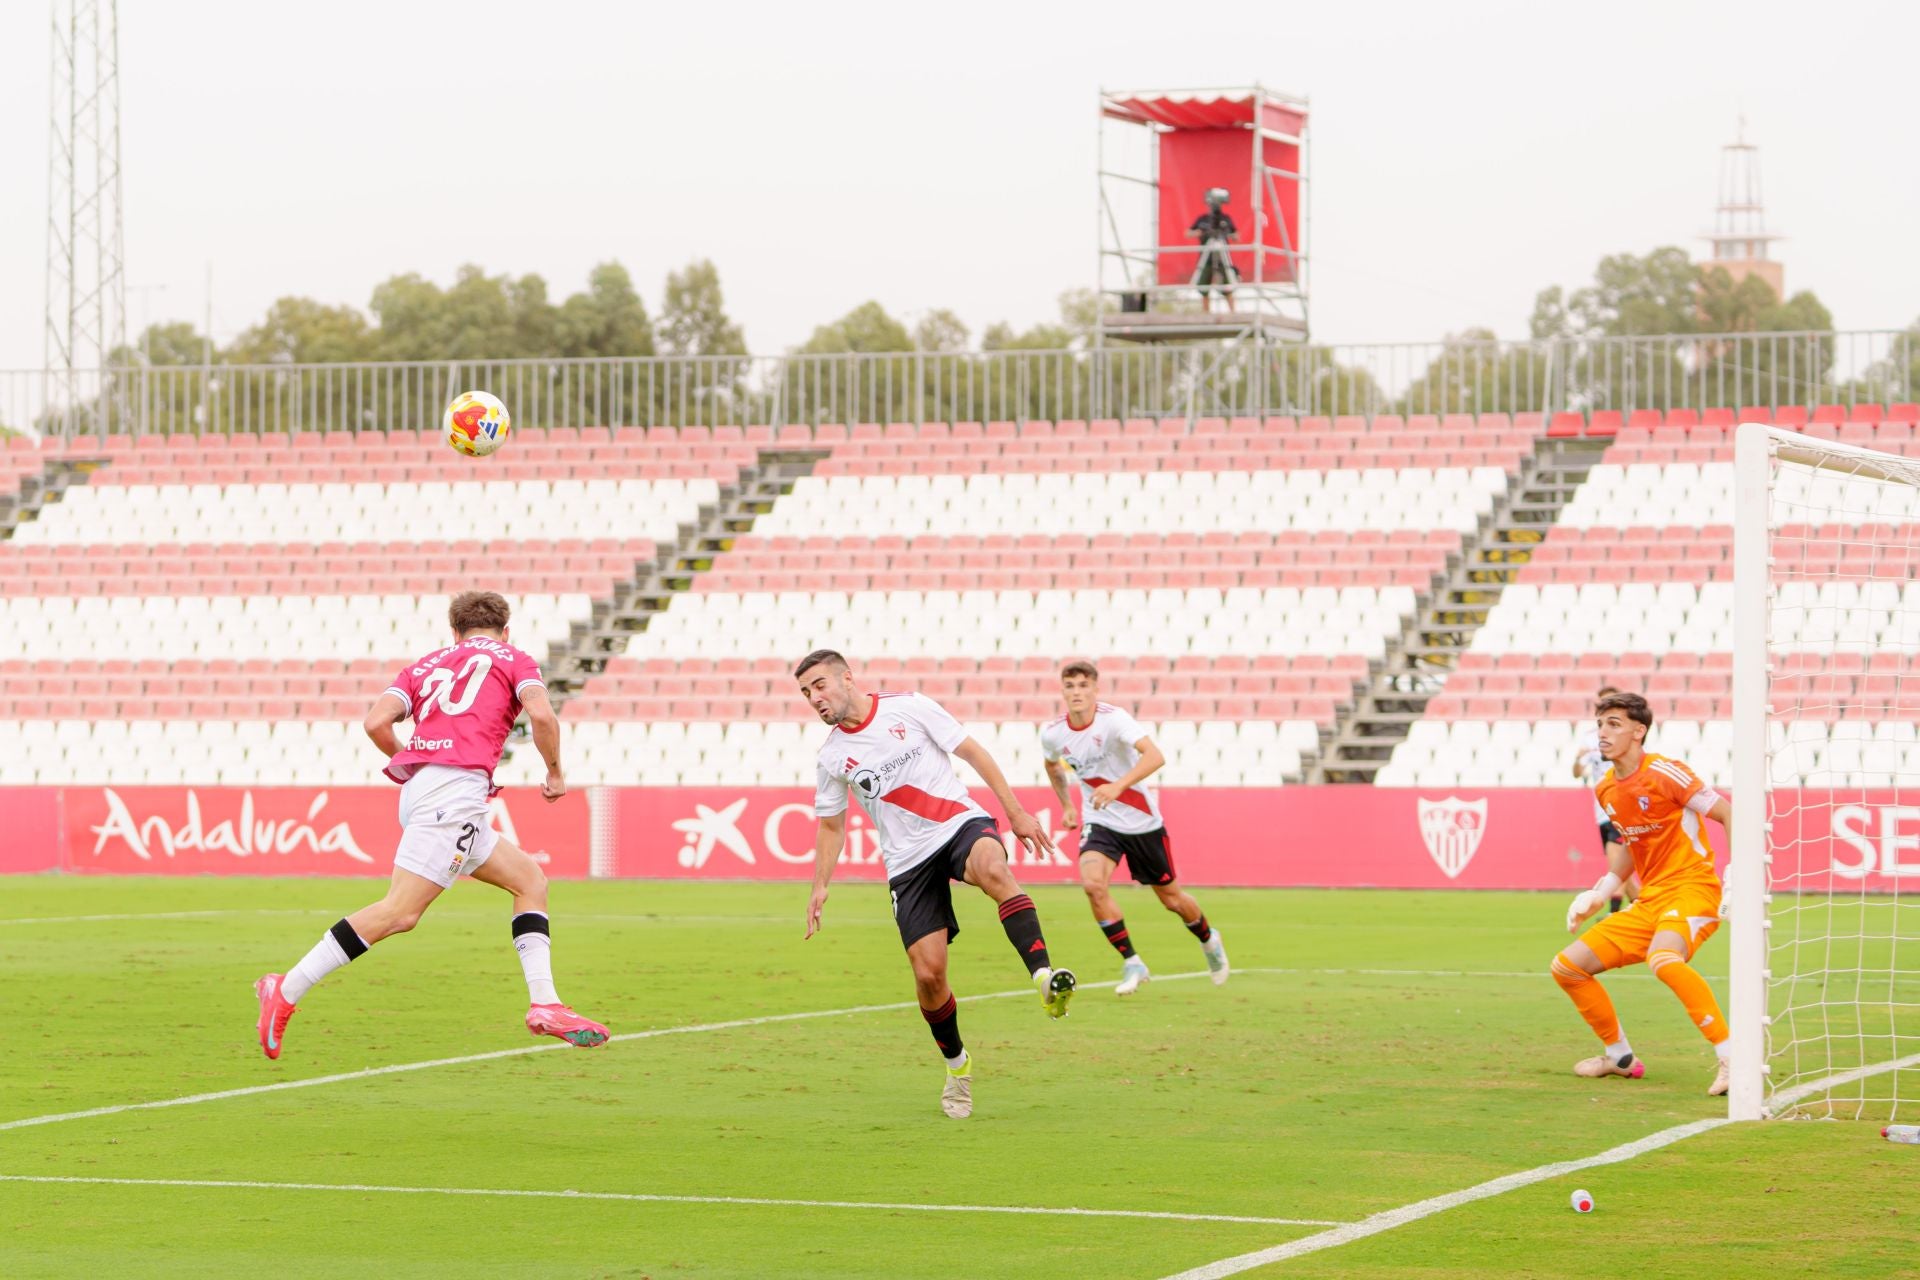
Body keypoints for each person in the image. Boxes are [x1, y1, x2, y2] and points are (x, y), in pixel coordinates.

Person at [253, 590, 608, 1059]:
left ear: (454, 632)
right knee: (400, 912)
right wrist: (555, 772)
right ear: (505, 631)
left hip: (428, 788)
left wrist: (419, 762)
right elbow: (541, 713)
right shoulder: (513, 657)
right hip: (455, 795)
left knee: (529, 880)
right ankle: (286, 987)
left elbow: (377, 722)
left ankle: (546, 1003)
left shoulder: (424, 666)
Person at [797, 649, 1074, 1120]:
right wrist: (819, 885)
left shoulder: (910, 706)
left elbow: (973, 751)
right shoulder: (832, 757)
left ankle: (1045, 978)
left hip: (957, 825)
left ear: (847, 677)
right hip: (907, 862)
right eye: (806, 693)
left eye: (820, 685)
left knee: (993, 870)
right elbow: (830, 826)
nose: (815, 699)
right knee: (929, 975)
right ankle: (957, 1066)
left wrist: (1015, 812)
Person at [1552, 691, 1734, 1097]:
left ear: (1639, 731)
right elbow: (1634, 848)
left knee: (1663, 959)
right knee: (1567, 967)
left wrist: (1736, 873)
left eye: (1613, 724)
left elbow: (1728, 812)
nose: (1602, 732)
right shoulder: (1606, 790)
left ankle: (1731, 1056)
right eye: (1599, 723)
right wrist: (1601, 892)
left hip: (1692, 888)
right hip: (1650, 900)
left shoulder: (1667, 772)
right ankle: (1619, 1057)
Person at [1040, 660, 1228, 996]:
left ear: (1096, 689)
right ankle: (1133, 961)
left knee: (1171, 900)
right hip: (1100, 821)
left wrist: (1117, 786)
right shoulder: (1053, 732)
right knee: (1092, 885)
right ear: (1062, 691)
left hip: (1143, 824)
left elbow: (1155, 756)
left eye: (1084, 685)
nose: (1077, 692)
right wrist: (1067, 805)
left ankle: (1208, 938)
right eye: (1070, 686)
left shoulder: (1114, 720)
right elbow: (1052, 763)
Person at [1571, 684, 1630, 913]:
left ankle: (1614, 912)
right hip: (1600, 809)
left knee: (1616, 863)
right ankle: (1642, 908)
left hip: (1621, 806)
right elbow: (1577, 773)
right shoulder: (1590, 739)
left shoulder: (1627, 736)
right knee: (1620, 864)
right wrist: (1578, 760)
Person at [1186, 187, 1239, 313]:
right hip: (1206, 257)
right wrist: (1199, 232)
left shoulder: (1226, 219)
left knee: (1227, 286)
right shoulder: (1202, 219)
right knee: (1204, 287)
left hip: (1222, 257)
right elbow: (1188, 232)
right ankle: (1206, 313)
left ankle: (1233, 313)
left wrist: (1227, 234)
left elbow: (1236, 235)